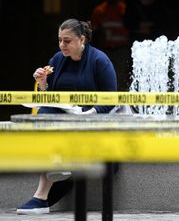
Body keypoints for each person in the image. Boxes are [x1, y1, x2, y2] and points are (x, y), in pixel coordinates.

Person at [16, 18, 117, 215]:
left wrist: (88, 114)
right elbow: (50, 98)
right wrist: (43, 83)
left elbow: (111, 98)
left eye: (67, 41)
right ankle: (52, 174)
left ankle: (41, 197)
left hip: (92, 118)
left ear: (82, 40)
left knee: (63, 125)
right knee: (44, 114)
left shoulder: (99, 60)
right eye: (60, 40)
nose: (62, 45)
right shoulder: (56, 60)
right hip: (64, 118)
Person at [91, 0, 130, 91]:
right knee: (104, 75)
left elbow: (131, 25)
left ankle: (118, 102)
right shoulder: (100, 10)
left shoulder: (124, 9)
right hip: (105, 49)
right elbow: (94, 29)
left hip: (121, 49)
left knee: (120, 76)